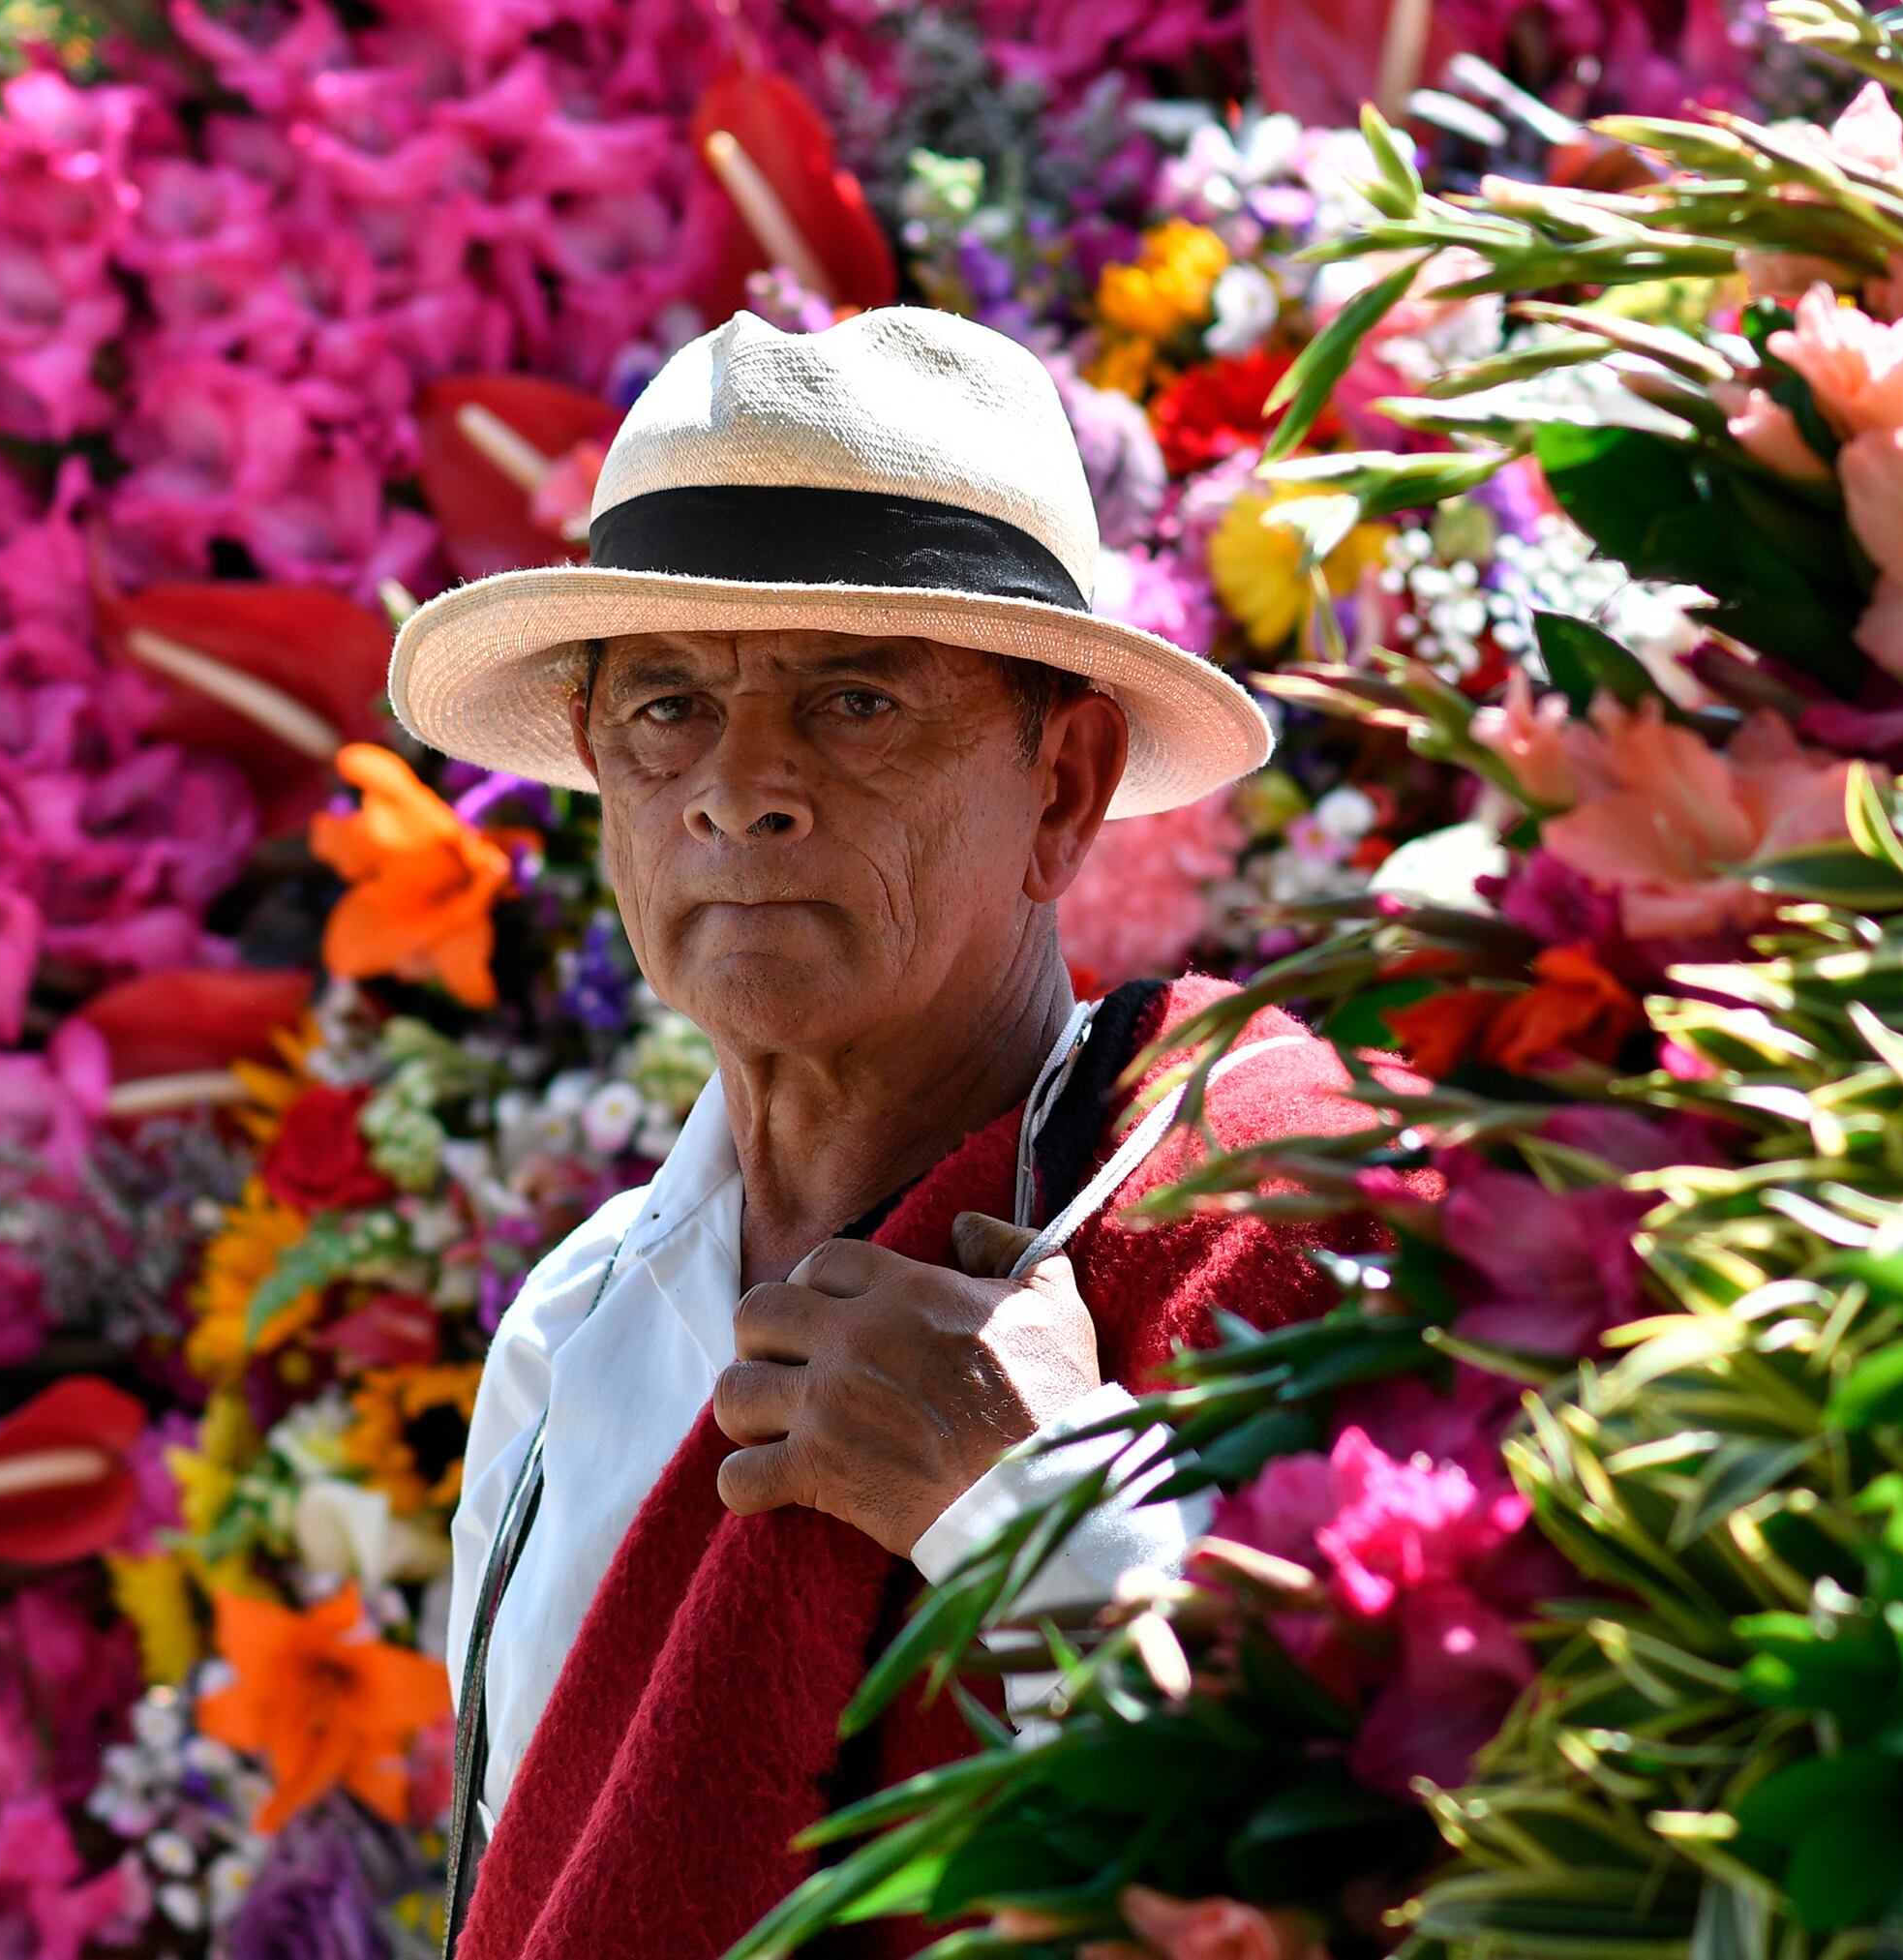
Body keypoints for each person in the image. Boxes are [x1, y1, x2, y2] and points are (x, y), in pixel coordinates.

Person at [391, 308, 1387, 1960]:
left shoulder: (1261, 1223)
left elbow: (1385, 1857)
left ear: (1061, 786)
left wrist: (1047, 1498)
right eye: (665, 709)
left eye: (853, 701)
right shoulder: (572, 1336)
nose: (738, 789)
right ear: (601, 774)